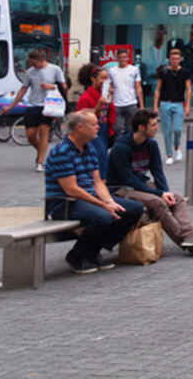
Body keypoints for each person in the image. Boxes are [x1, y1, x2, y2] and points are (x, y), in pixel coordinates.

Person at [45, 110, 145, 274]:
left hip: (89, 198)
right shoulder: (62, 152)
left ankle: (93, 250)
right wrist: (103, 205)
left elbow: (98, 182)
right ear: (80, 127)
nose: (99, 127)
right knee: (103, 216)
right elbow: (72, 189)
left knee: (134, 209)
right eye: (94, 124)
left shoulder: (89, 147)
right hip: (64, 202)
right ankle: (76, 256)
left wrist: (109, 201)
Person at [107, 109, 193, 253]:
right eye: (153, 125)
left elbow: (158, 172)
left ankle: (190, 235)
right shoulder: (121, 148)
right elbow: (128, 179)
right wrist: (159, 194)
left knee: (177, 199)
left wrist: (165, 192)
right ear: (141, 127)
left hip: (140, 185)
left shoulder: (151, 144)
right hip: (121, 188)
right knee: (157, 202)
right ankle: (185, 240)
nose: (157, 128)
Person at [4, 48, 66, 172]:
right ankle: (42, 153)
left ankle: (40, 162)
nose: (32, 65)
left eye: (34, 63)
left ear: (41, 60)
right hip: (32, 105)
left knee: (44, 132)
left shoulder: (55, 69)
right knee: (30, 135)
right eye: (30, 63)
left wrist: (52, 86)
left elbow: (64, 86)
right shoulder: (30, 72)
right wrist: (11, 106)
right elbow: (23, 89)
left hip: (48, 105)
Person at [74, 63, 115, 176]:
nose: (105, 81)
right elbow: (81, 116)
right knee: (98, 155)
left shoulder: (104, 93)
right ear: (93, 78)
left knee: (102, 155)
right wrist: (98, 105)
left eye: (107, 79)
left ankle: (102, 180)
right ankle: (98, 180)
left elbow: (109, 111)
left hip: (104, 128)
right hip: (91, 129)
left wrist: (110, 96)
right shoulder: (86, 96)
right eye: (102, 78)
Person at [153, 47, 191, 165]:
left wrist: (187, 106)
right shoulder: (163, 72)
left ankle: (177, 147)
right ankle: (169, 154)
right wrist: (155, 105)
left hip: (178, 103)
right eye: (173, 58)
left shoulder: (185, 72)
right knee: (167, 131)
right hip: (165, 103)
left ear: (180, 59)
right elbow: (157, 89)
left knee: (177, 129)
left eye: (177, 58)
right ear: (169, 59)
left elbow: (188, 89)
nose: (175, 61)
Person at [107, 48, 142, 135]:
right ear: (117, 58)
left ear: (128, 58)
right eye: (120, 57)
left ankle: (128, 147)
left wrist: (141, 105)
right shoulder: (112, 71)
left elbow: (138, 87)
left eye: (124, 57)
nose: (123, 59)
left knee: (131, 129)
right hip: (117, 104)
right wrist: (109, 100)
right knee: (117, 128)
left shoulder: (134, 70)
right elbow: (109, 86)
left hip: (131, 103)